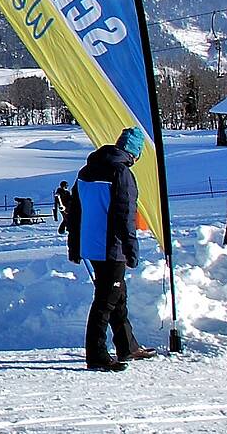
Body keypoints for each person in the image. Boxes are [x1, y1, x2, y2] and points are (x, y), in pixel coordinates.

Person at [71, 127, 158, 372]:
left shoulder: (86, 170)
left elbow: (75, 211)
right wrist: (131, 249)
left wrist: (74, 245)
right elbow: (124, 215)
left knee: (117, 296)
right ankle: (96, 355)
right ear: (135, 154)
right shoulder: (122, 173)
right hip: (111, 247)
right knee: (105, 300)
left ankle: (127, 346)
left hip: (91, 245)